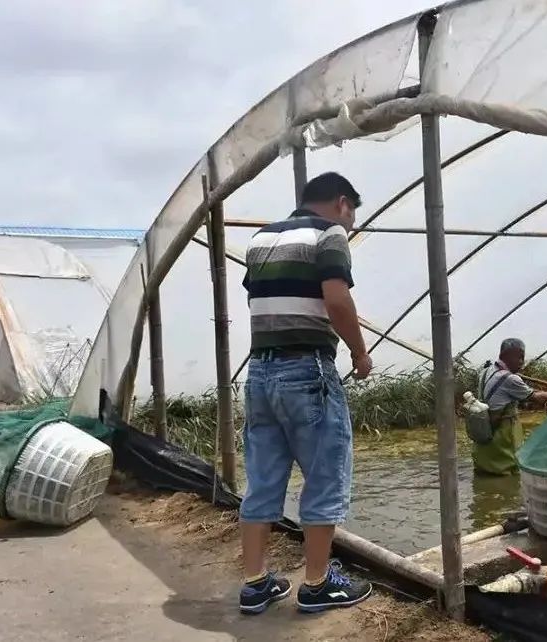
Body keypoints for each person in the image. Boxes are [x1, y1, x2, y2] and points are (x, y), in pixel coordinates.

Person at [238, 173, 374, 616]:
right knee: (325, 474)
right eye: (352, 214)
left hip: (260, 370)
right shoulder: (330, 233)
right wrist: (359, 352)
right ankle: (316, 585)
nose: (351, 224)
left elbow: (264, 301)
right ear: (342, 203)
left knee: (263, 477)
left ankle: (256, 583)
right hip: (307, 368)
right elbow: (335, 299)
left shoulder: (260, 239)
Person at [472, 338, 547, 476]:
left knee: (487, 472)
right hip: (502, 435)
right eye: (520, 357)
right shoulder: (510, 379)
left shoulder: (486, 371)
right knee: (510, 473)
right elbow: (536, 398)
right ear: (507, 355)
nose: (522, 362)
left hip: (485, 431)